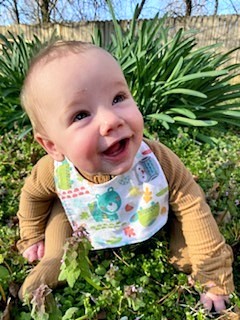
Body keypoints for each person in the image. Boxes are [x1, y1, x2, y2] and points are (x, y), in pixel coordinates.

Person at [17, 40, 234, 313]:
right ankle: (54, 260)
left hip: (149, 210)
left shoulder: (156, 161)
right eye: (81, 114)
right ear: (52, 146)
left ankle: (194, 255)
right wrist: (32, 236)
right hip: (80, 213)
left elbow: (191, 203)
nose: (111, 120)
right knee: (59, 212)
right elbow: (33, 196)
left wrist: (213, 274)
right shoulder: (52, 170)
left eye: (118, 98)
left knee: (186, 241)